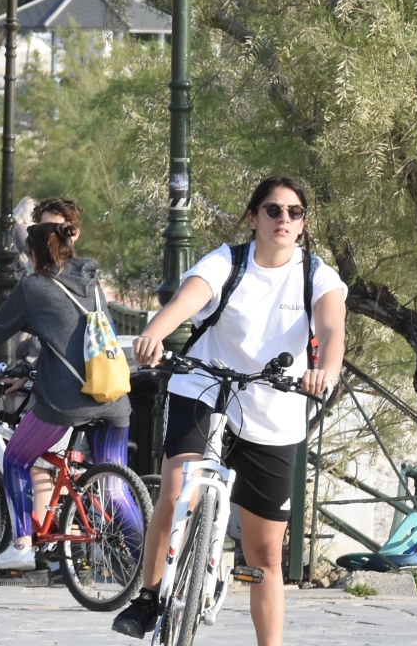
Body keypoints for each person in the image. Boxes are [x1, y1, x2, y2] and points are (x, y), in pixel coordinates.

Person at [111, 176, 347, 645]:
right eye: (273, 210)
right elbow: (186, 301)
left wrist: (327, 368)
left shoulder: (316, 275)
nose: (284, 219)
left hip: (274, 409)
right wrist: (155, 333)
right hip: (205, 388)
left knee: (266, 555)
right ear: (253, 217)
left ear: (302, 224)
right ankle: (151, 595)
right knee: (177, 490)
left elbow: (332, 327)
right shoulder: (227, 261)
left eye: (294, 212)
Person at [0, 216, 132, 572]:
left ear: (33, 254)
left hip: (67, 402)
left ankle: (22, 544)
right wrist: (30, 374)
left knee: (15, 458)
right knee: (115, 488)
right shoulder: (93, 284)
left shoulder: (34, 288)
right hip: (115, 397)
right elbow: (75, 343)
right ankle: (148, 562)